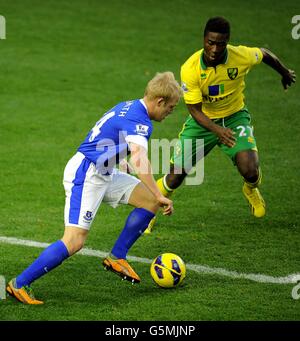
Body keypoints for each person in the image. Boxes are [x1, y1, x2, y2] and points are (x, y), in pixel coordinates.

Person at [6, 71, 182, 304]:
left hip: (104, 170)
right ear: (160, 101)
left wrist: (121, 162)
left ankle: (117, 257)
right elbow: (140, 156)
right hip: (86, 174)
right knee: (75, 241)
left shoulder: (128, 106)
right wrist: (160, 194)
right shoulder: (140, 121)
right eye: (170, 108)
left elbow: (106, 137)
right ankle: (19, 284)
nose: (169, 113)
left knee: (148, 201)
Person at [144, 16, 296, 233]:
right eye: (210, 42)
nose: (215, 48)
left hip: (235, 117)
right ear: (204, 39)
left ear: (228, 42)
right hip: (202, 122)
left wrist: (284, 72)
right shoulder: (191, 68)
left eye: (221, 43)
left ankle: (251, 190)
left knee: (250, 170)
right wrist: (218, 131)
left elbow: (263, 53)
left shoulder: (240, 56)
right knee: (175, 177)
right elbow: (194, 110)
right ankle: (149, 210)